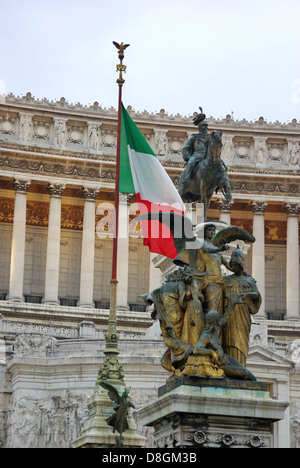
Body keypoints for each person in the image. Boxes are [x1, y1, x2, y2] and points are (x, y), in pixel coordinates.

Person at [220, 246, 262, 367]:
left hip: (242, 315)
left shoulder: (249, 280)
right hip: (228, 316)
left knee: (240, 342)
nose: (235, 266)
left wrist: (248, 295)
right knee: (228, 341)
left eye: (237, 263)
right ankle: (230, 369)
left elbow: (257, 295)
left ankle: (240, 368)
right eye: (233, 264)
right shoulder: (225, 280)